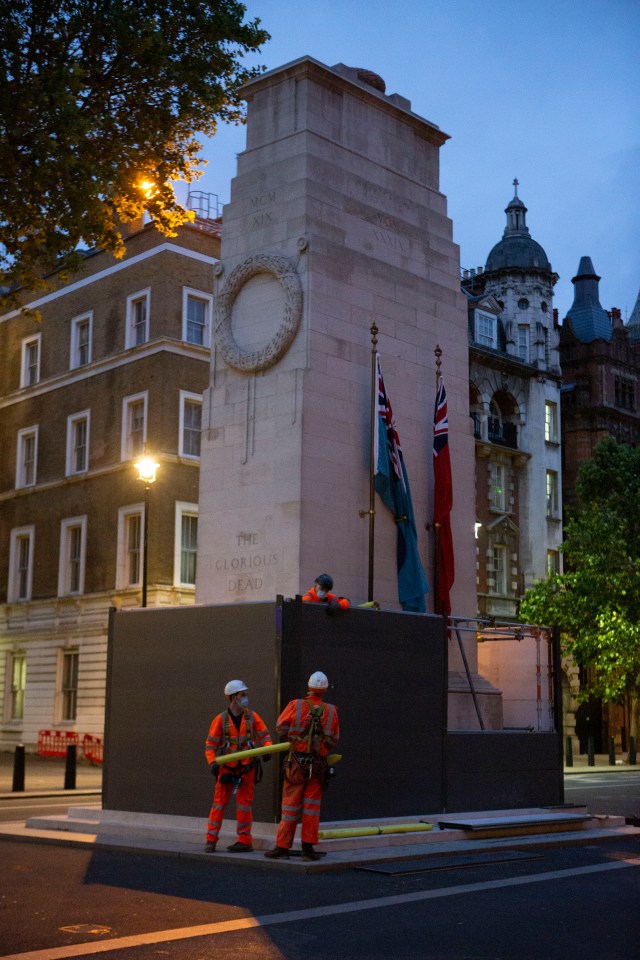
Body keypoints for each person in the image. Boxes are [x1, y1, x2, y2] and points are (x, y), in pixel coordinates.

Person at [264, 671, 339, 861]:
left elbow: (280, 727)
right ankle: (308, 849)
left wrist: (296, 739)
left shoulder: (295, 705)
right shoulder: (331, 711)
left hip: (296, 764)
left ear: (309, 688)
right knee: (311, 809)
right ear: (324, 690)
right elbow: (334, 740)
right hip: (318, 766)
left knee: (289, 807)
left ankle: (282, 847)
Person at [204, 679, 272, 853]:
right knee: (218, 805)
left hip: (247, 768)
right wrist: (212, 763)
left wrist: (267, 749)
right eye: (243, 695)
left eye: (245, 694)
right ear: (233, 697)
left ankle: (244, 841)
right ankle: (211, 840)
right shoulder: (221, 720)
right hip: (227, 769)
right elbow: (210, 745)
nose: (246, 698)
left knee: (244, 806)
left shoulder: (252, 717)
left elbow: (265, 735)